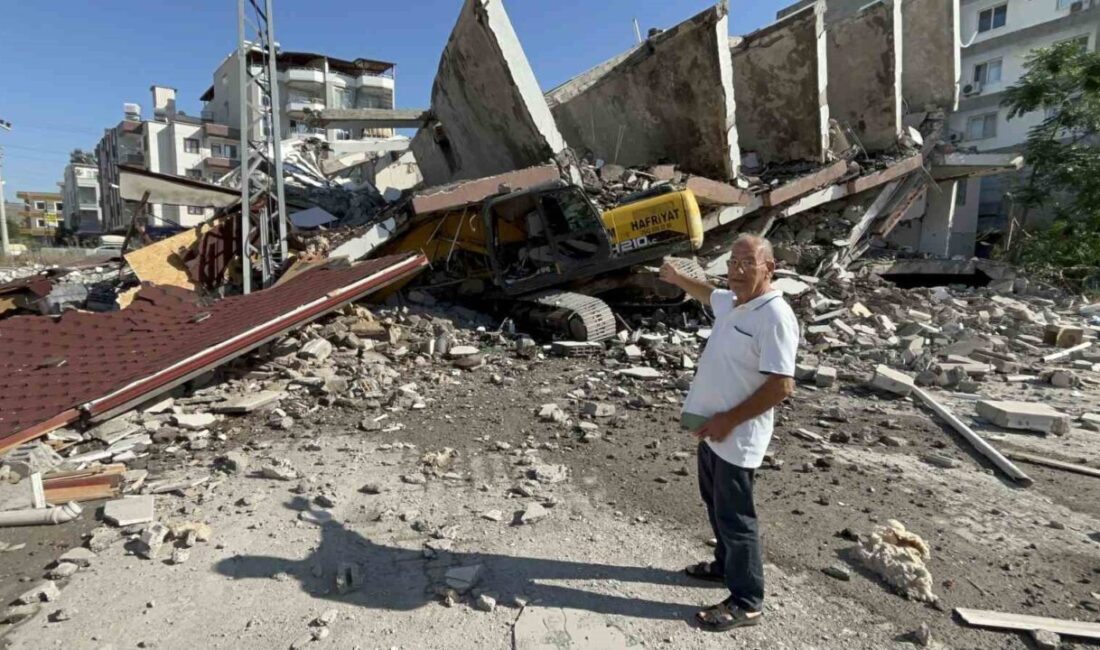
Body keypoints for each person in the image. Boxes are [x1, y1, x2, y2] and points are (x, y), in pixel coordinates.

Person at [658, 234, 799, 632]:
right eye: (732, 263)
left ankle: (747, 601)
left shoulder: (774, 316)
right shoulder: (736, 302)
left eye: (746, 264)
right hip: (711, 430)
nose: (736, 272)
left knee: (737, 518)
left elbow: (781, 385)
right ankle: (724, 566)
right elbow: (708, 294)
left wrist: (729, 420)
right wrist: (676, 277)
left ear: (768, 269)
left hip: (737, 436)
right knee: (714, 503)